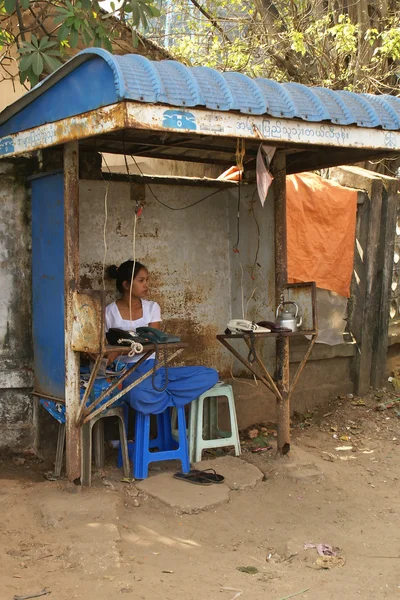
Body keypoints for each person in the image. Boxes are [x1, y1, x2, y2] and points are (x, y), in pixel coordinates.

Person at [105, 260, 219, 414]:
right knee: (138, 392)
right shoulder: (109, 312)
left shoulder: (152, 307)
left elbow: (152, 342)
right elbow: (109, 349)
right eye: (141, 281)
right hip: (127, 370)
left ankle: (160, 396)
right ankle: (165, 396)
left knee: (210, 375)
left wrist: (123, 349)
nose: (146, 285)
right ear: (126, 285)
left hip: (153, 367)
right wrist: (127, 350)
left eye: (147, 280)